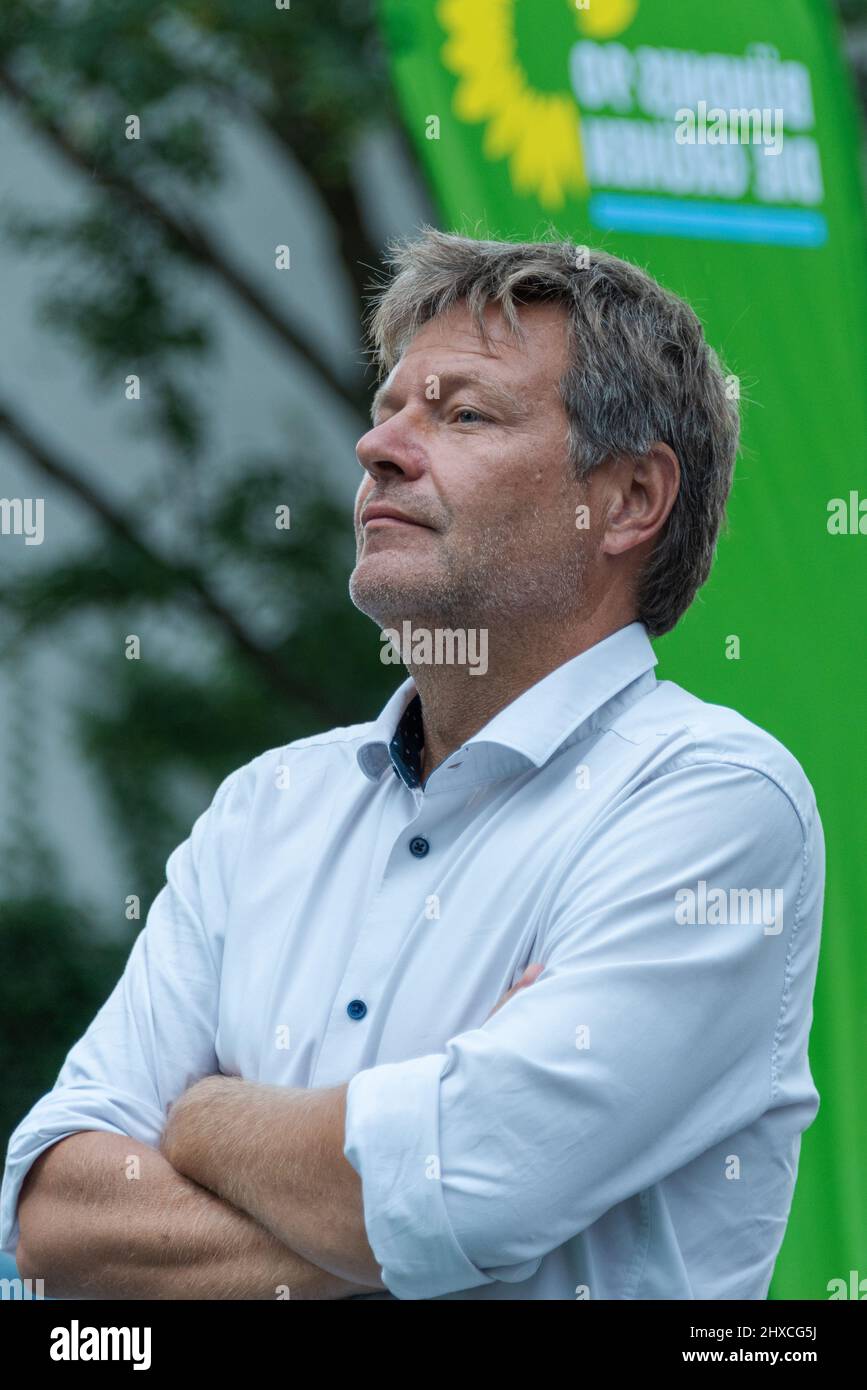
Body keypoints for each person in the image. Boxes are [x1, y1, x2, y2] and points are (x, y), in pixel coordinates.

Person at [1, 230, 824, 1300]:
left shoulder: (716, 803)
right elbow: (56, 1215)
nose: (378, 448)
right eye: (390, 407)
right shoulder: (268, 806)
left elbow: (461, 1184)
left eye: (463, 413)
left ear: (627, 500)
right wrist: (403, 1168)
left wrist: (198, 1115)